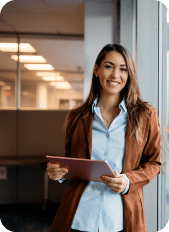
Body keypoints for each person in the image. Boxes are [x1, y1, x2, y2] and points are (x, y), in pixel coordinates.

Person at [46, 44, 161, 232]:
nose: (116, 75)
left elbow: (154, 163)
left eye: (123, 69)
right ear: (96, 69)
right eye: (109, 66)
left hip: (121, 220)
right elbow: (71, 163)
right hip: (79, 218)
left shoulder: (146, 115)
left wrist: (128, 181)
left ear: (129, 73)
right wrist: (59, 173)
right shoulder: (76, 117)